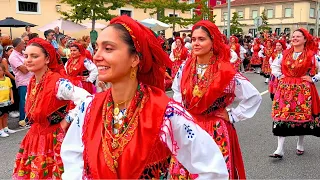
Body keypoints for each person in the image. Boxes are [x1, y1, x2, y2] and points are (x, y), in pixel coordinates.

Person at [60, 15, 229, 179]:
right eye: (97, 48)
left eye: (108, 48)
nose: (96, 56)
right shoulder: (89, 107)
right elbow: (72, 156)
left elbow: (212, 168)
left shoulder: (165, 112)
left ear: (135, 58)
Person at [170, 20, 262, 179]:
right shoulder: (185, 68)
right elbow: (177, 90)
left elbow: (253, 96)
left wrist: (232, 115)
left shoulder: (225, 71)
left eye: (201, 39)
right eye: (193, 39)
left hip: (214, 128)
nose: (196, 43)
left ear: (213, 42)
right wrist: (182, 114)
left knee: (212, 172)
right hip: (189, 126)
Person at [12, 38, 71, 179]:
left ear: (47, 59)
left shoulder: (59, 82)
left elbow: (86, 100)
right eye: (26, 56)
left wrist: (66, 120)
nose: (28, 60)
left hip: (53, 138)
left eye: (34, 56)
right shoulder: (32, 81)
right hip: (34, 137)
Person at [269, 28, 320, 158]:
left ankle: (300, 143)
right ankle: (279, 149)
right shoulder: (284, 54)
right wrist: (280, 76)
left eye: (298, 36)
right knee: (282, 115)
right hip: (285, 88)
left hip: (303, 88)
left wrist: (313, 78)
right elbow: (274, 66)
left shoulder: (312, 55)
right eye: (293, 36)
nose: (294, 38)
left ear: (305, 39)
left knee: (301, 116)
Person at [9, 38, 33, 127]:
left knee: (31, 100)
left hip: (31, 80)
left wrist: (29, 64)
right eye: (23, 43)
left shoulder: (23, 53)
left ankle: (30, 119)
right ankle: (23, 120)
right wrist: (31, 64)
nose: (25, 45)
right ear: (19, 45)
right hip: (23, 82)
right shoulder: (13, 57)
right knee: (24, 101)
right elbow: (24, 70)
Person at [2, 45, 19, 118]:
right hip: (11, 77)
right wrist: (15, 78)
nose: (12, 52)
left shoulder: (14, 58)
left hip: (15, 75)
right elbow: (6, 71)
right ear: (6, 52)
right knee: (13, 93)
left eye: (13, 50)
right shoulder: (5, 60)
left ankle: (17, 108)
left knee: (17, 93)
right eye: (10, 51)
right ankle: (12, 109)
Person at [0, 63, 15, 137]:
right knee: (0, 116)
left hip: (7, 101)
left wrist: (11, 98)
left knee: (6, 114)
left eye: (0, 70)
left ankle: (6, 128)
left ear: (3, 71)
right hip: (0, 102)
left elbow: (10, 89)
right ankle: (1, 130)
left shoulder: (8, 79)